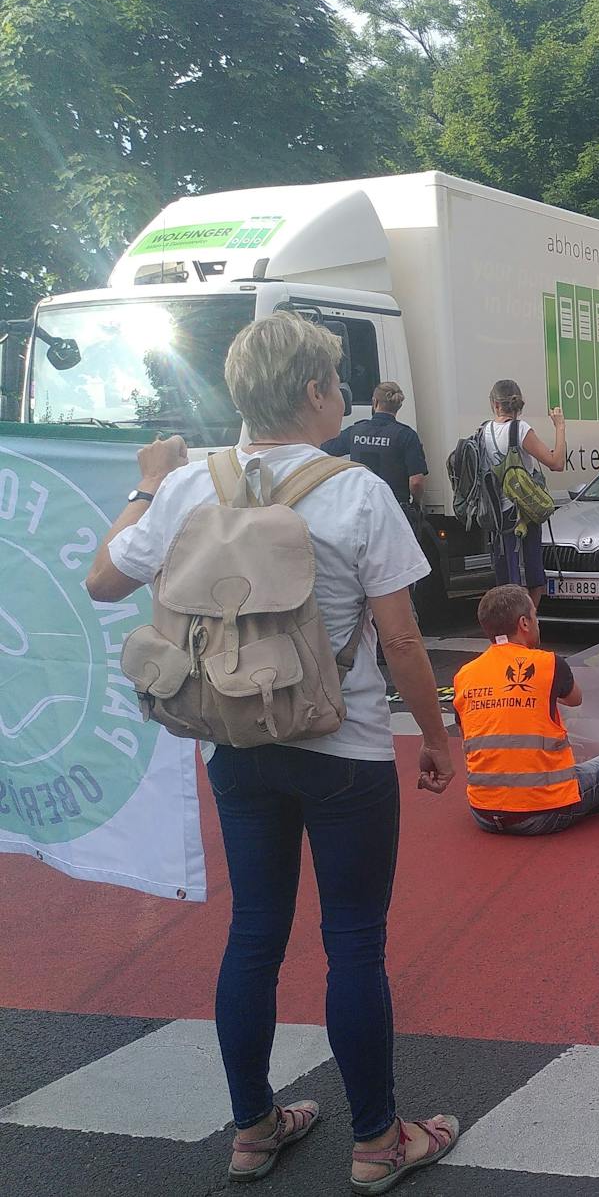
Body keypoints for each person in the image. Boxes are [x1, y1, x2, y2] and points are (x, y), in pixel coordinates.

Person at [84, 311, 461, 1192]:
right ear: (311, 392)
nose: (342, 396)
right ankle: (377, 1141)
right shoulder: (358, 490)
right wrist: (436, 740)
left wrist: (147, 484)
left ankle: (253, 1127)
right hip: (346, 748)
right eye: (335, 382)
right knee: (353, 943)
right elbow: (404, 643)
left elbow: (104, 579)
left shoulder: (188, 488)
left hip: (234, 741)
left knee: (253, 935)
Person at [453, 585, 599, 833]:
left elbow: (466, 738)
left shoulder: (465, 675)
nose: (537, 622)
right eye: (535, 615)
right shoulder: (548, 663)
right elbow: (574, 699)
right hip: (546, 810)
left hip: (484, 813)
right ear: (524, 623)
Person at [480, 379, 566, 607]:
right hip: (522, 515)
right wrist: (559, 427)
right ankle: (526, 627)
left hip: (497, 517)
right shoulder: (520, 430)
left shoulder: (483, 431)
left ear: (494, 404)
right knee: (533, 579)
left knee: (507, 581)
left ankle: (510, 632)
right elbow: (556, 463)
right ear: (519, 404)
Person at [322, 381, 428, 510]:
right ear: (398, 405)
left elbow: (324, 449)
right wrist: (416, 505)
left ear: (375, 402)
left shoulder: (355, 431)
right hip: (394, 508)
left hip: (361, 508)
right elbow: (416, 482)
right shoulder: (406, 435)